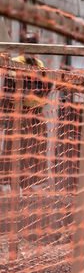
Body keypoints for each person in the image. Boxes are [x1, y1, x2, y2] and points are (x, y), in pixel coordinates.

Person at [1, 31, 51, 189]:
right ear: (22, 47)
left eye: (34, 45)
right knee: (15, 152)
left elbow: (45, 87)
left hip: (36, 115)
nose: (32, 49)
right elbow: (8, 90)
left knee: (35, 152)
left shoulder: (40, 65)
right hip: (19, 115)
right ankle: (11, 187)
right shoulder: (15, 63)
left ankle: (29, 187)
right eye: (28, 44)